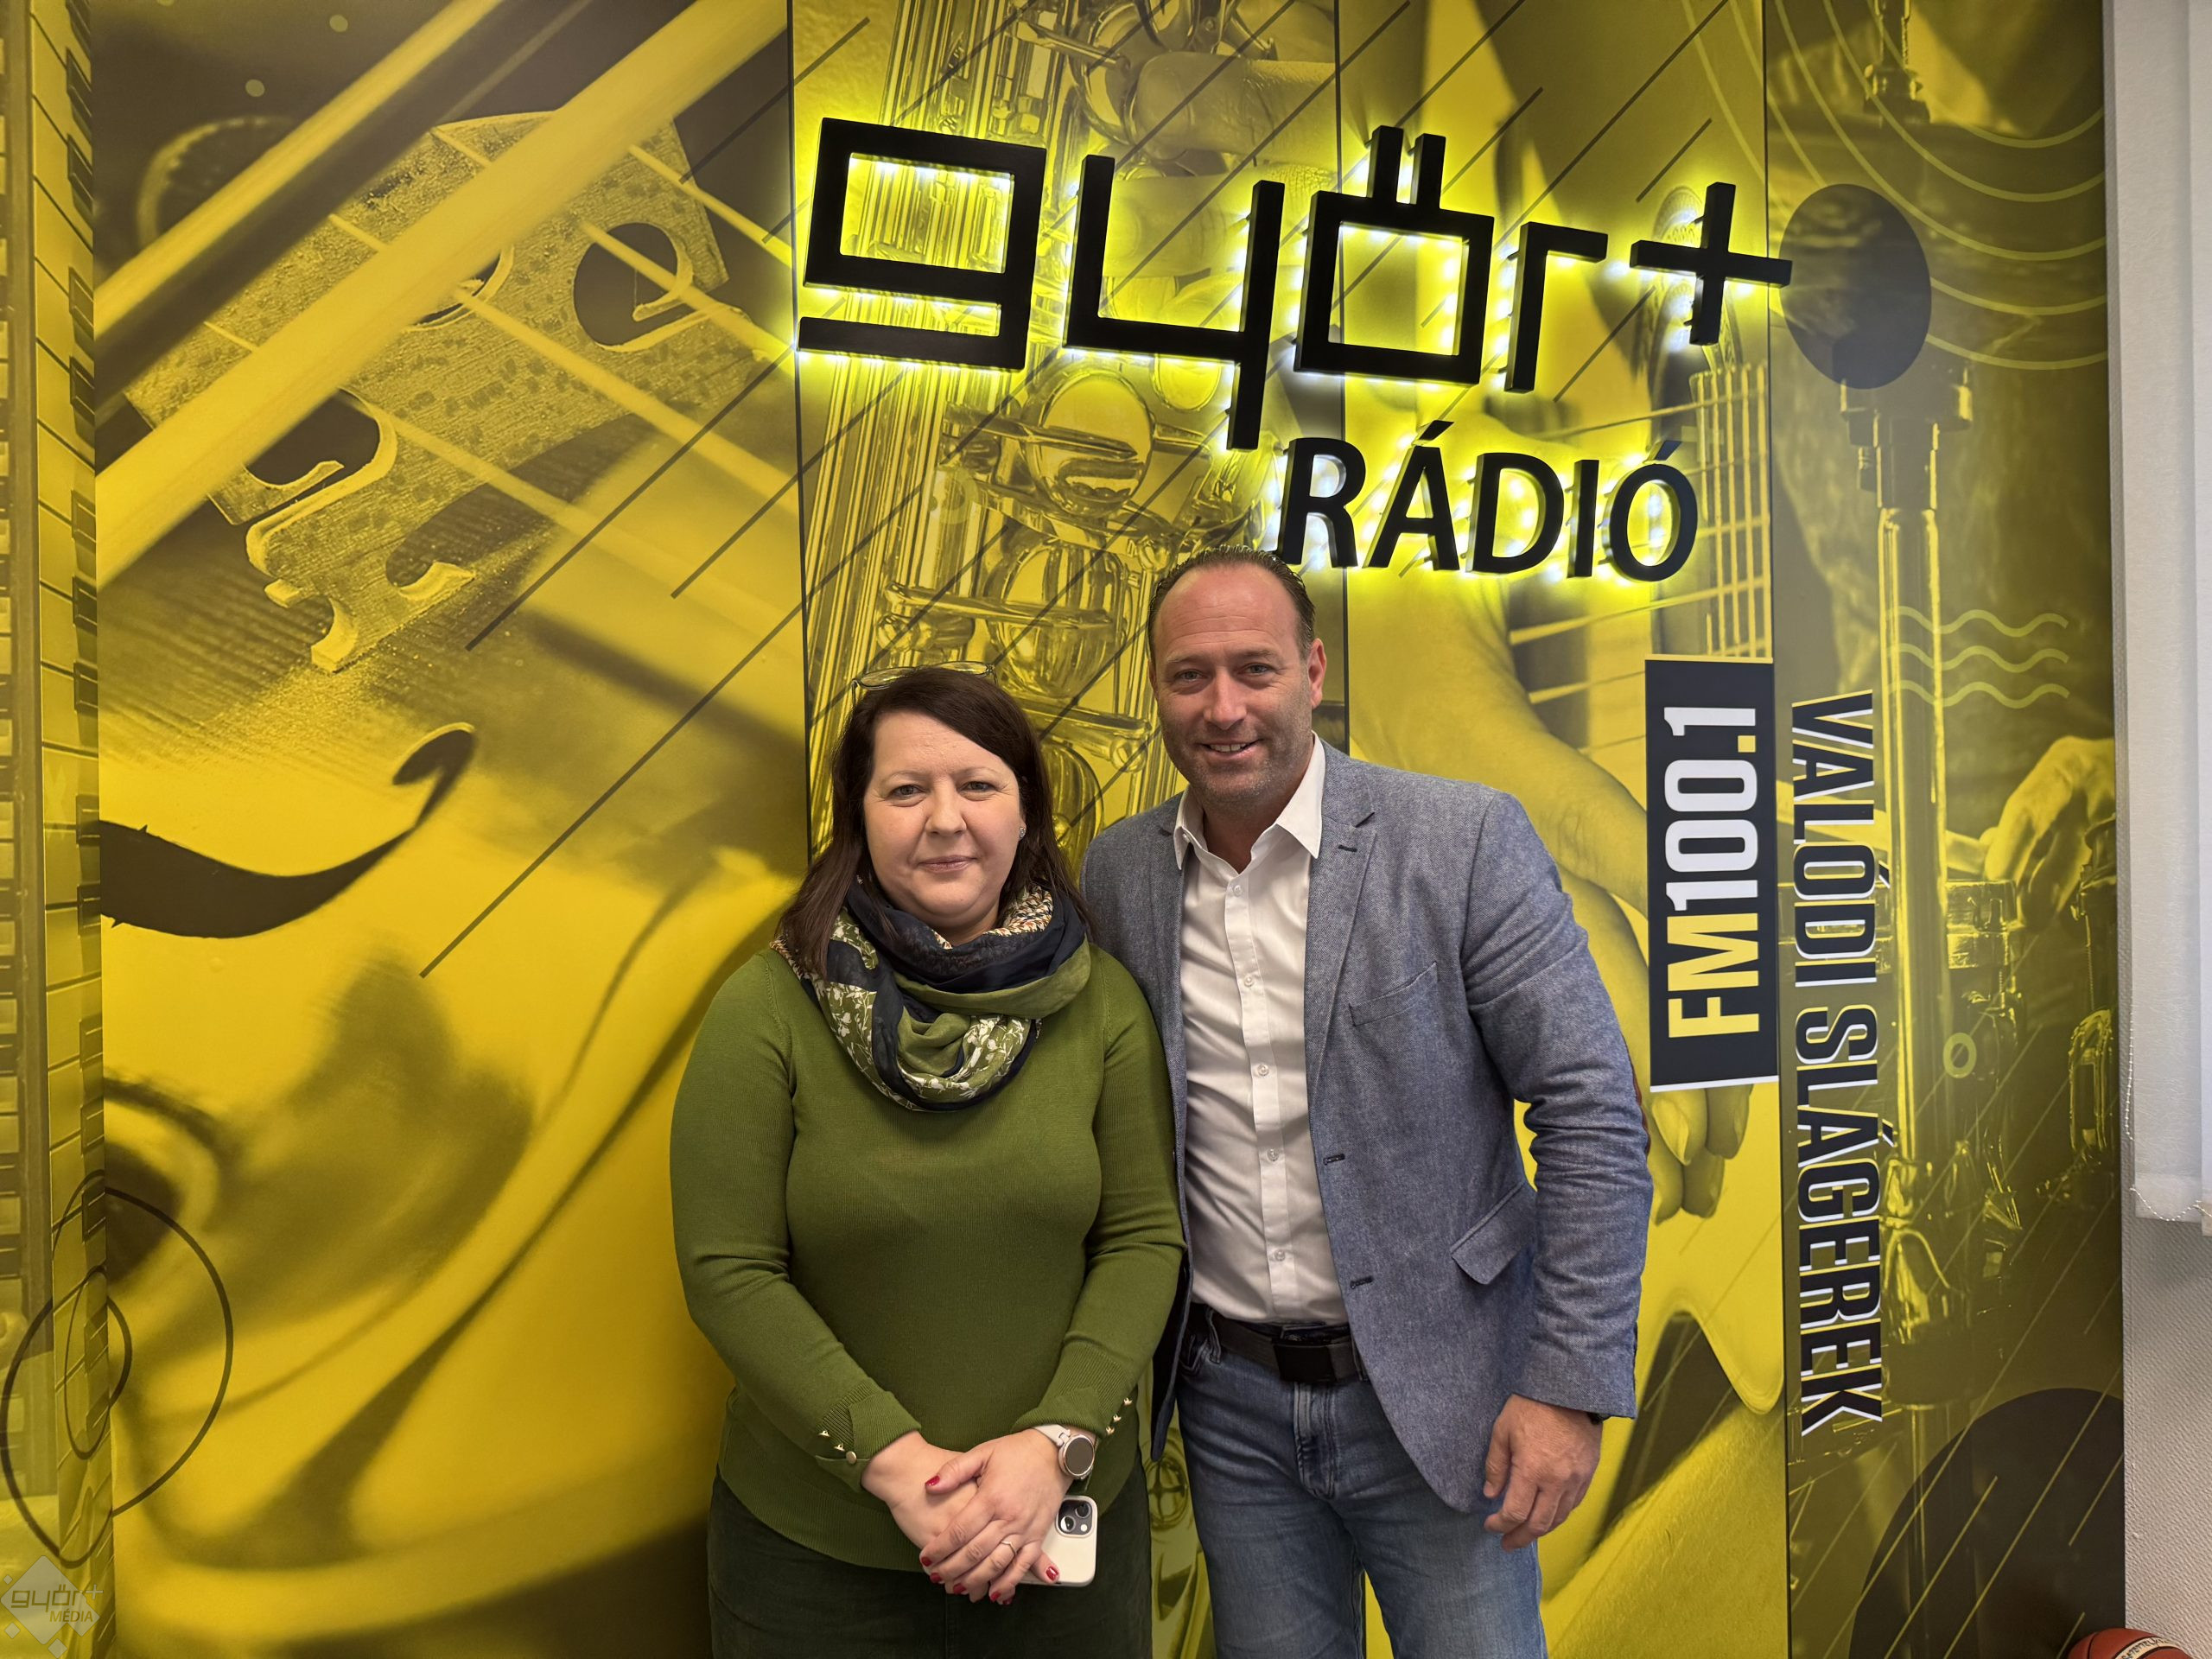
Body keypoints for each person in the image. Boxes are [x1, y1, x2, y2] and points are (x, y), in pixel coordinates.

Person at [1081, 549, 1654, 1659]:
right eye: (1189, 676)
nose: (1223, 708)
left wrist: (1567, 1386)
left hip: (1449, 1401)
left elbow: (1590, 1110)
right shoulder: (1121, 873)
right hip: (1231, 1411)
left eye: (1254, 669)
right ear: (1155, 688)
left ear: (1312, 671)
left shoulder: (1460, 839)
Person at [670, 664, 1184, 1657]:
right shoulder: (768, 1007)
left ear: (1025, 814)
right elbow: (728, 1268)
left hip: (1058, 1534)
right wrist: (894, 1463)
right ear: (857, 817)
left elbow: (1142, 1237)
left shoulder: (1102, 1003)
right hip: (816, 1560)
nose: (945, 820)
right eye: (906, 790)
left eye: (977, 785)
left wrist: (1057, 1441)